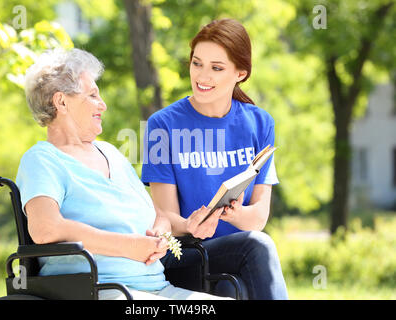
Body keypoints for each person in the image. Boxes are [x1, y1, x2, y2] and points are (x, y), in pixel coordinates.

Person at [16, 48, 229, 300]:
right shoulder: (42, 160)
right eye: (93, 95)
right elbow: (45, 229)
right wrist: (129, 247)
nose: (102, 105)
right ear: (61, 101)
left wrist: (176, 228)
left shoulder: (111, 153)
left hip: (156, 288)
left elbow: (157, 215)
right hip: (100, 290)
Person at [141, 19, 288, 300]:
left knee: (230, 288)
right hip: (185, 256)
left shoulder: (260, 123)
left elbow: (258, 217)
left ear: (240, 73)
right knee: (258, 246)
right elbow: (164, 219)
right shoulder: (163, 125)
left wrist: (236, 214)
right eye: (197, 63)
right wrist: (190, 224)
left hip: (237, 260)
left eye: (216, 68)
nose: (202, 76)